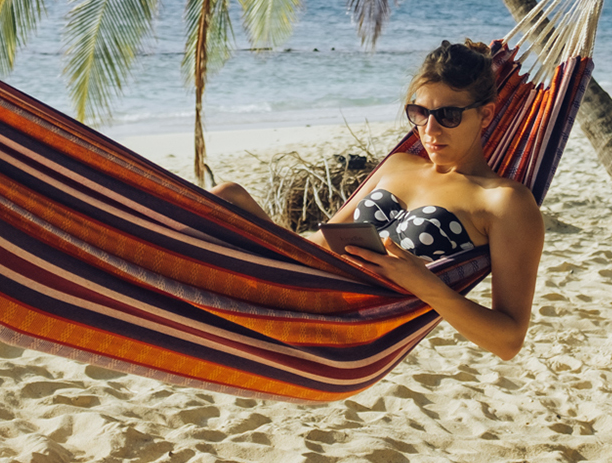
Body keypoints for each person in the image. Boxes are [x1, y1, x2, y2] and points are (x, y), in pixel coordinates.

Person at [212, 40, 544, 360]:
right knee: (226, 195)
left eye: (449, 116)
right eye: (419, 112)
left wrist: (425, 285)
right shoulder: (400, 163)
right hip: (308, 282)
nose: (430, 130)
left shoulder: (503, 202)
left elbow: (509, 341)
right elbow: (321, 243)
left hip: (343, 320)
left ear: (486, 115)